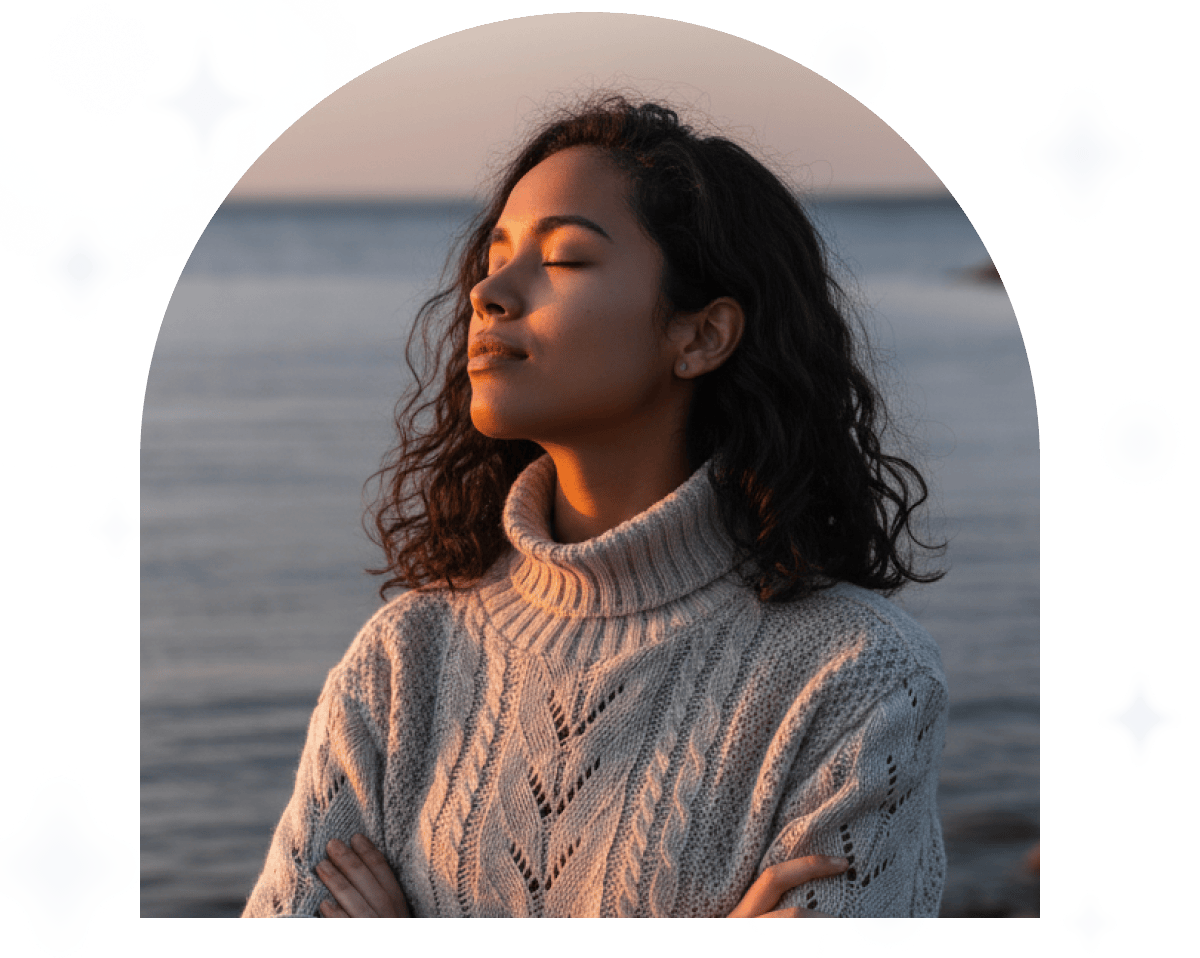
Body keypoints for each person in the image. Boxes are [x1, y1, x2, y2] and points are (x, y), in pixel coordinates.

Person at [241, 92, 949, 919]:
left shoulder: (855, 677)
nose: (489, 292)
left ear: (700, 336)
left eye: (566, 258)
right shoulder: (404, 662)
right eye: (495, 254)